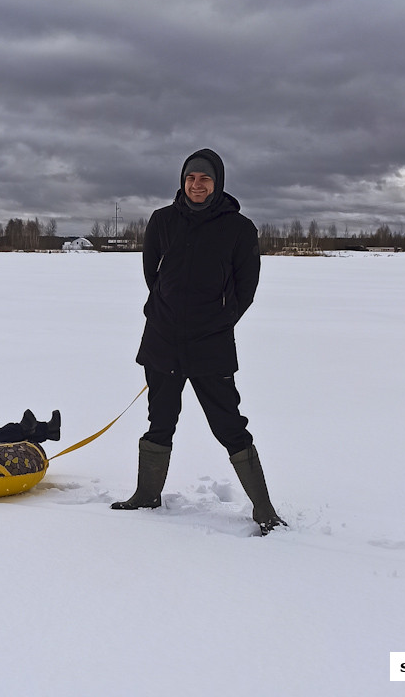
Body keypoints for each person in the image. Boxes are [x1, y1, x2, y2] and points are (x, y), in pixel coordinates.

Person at [111, 148, 286, 535]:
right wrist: (167, 313)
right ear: (182, 180)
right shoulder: (162, 221)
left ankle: (264, 510)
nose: (196, 185)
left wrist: (218, 321)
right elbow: (152, 274)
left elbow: (246, 288)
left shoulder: (239, 229)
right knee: (160, 421)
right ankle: (147, 494)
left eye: (204, 179)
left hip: (211, 344)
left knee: (230, 425)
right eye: (191, 178)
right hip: (162, 339)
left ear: (217, 182)